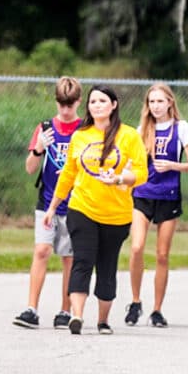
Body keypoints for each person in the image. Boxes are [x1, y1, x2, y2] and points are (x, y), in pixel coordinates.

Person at [43, 85, 148, 335]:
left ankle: (103, 320)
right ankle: (76, 316)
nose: (97, 105)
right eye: (92, 102)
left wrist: (121, 178)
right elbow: (68, 174)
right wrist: (52, 208)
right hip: (82, 208)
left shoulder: (129, 135)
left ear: (113, 105)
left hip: (117, 214)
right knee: (82, 260)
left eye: (102, 101)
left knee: (107, 265)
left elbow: (142, 173)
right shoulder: (80, 136)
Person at [125, 84, 188, 328]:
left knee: (162, 254)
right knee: (136, 248)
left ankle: (157, 309)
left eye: (160, 101)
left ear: (170, 102)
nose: (155, 106)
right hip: (143, 194)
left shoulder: (182, 128)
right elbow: (131, 164)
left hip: (168, 196)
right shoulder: (141, 130)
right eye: (151, 102)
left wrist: (172, 166)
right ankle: (135, 301)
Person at [13, 76, 83, 329]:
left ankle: (65, 310)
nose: (65, 110)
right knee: (41, 251)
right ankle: (31, 308)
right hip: (46, 203)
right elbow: (30, 168)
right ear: (56, 102)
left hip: (75, 205)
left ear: (78, 102)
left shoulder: (85, 130)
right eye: (61, 104)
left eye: (70, 104)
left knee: (69, 257)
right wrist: (39, 148)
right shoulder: (45, 128)